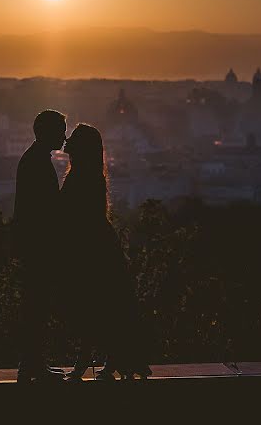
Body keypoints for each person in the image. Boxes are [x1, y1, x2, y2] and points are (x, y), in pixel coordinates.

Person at [60, 123, 152, 381]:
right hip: (99, 247)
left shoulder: (80, 176)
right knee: (107, 308)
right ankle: (112, 361)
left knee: (90, 309)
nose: (67, 143)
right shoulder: (92, 175)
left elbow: (71, 217)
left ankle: (86, 363)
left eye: (73, 140)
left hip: (89, 251)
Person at [12, 109, 68, 383]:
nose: (64, 137)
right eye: (61, 131)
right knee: (37, 307)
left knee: (36, 306)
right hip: (39, 247)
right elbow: (44, 210)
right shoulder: (37, 163)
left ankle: (33, 363)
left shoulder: (33, 159)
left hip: (34, 246)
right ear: (47, 132)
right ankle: (32, 364)